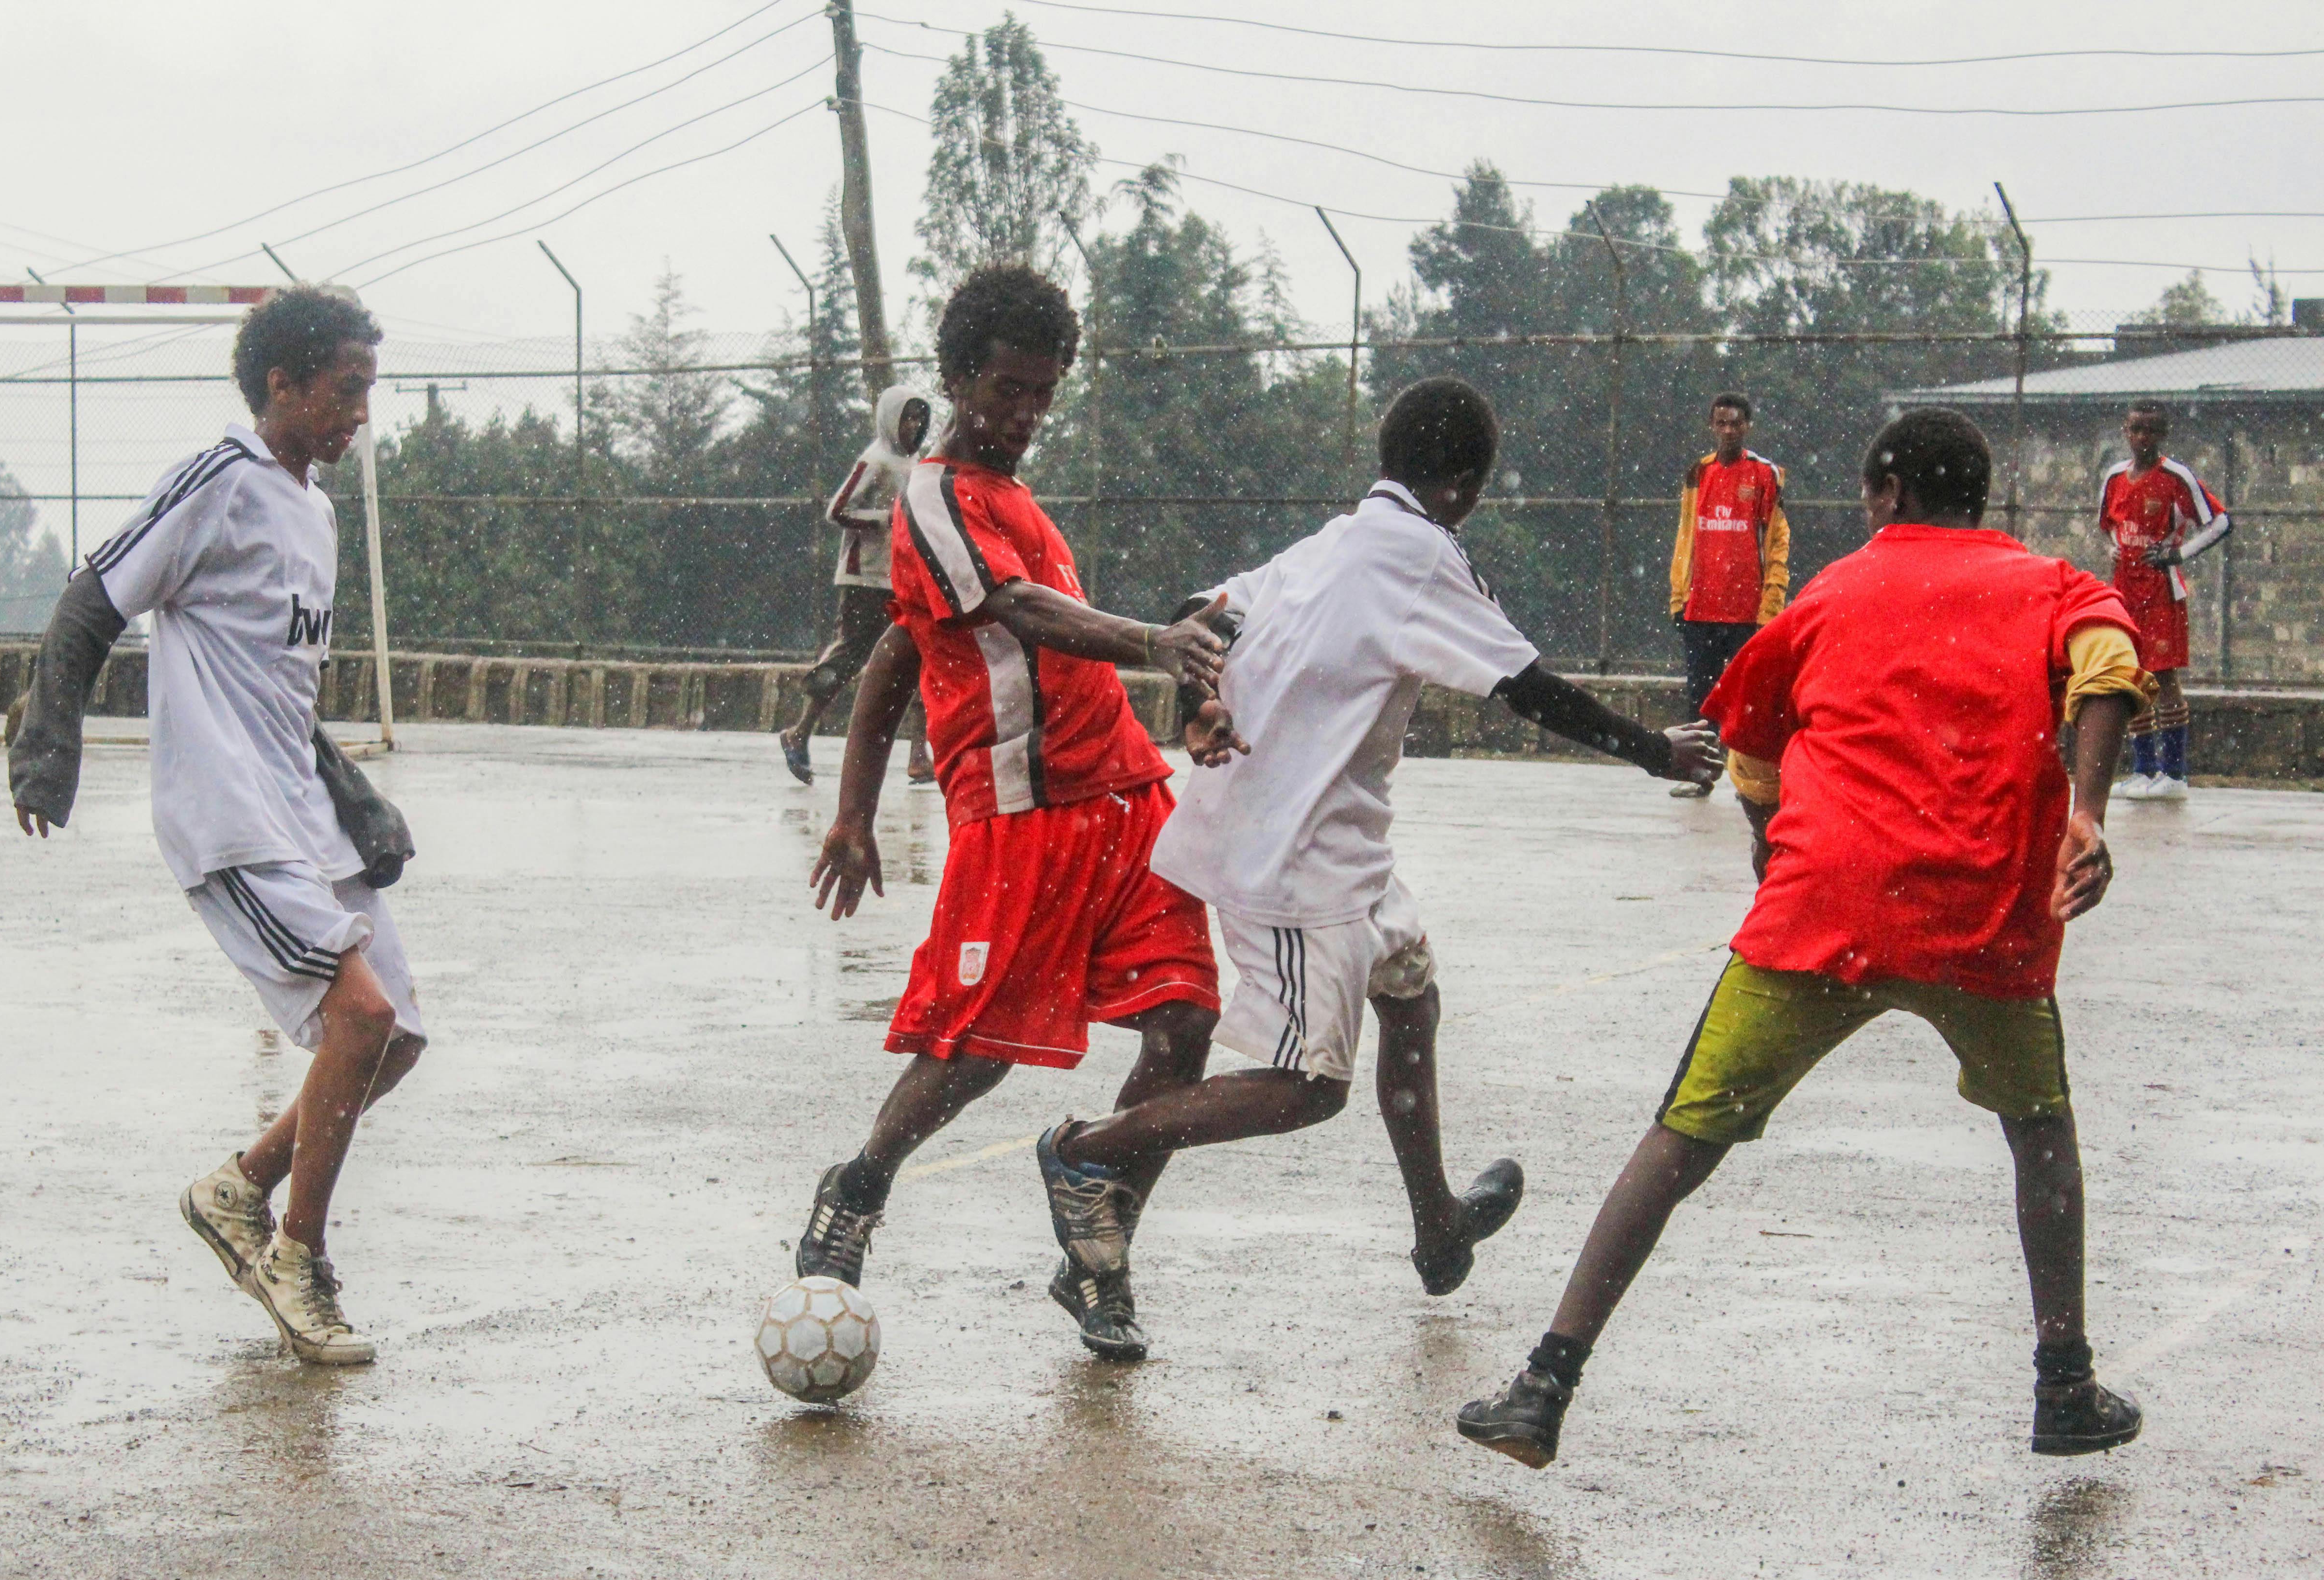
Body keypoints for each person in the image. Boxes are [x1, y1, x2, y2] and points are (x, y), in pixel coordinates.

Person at [1458, 408, 2152, 1469]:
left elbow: (1748, 734)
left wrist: (1770, 837)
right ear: (1979, 494)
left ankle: (1546, 1383)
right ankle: (2064, 1385)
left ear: (1885, 495)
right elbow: (2109, 667)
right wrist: (2088, 812)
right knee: (2039, 1133)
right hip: (1985, 921)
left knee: (1682, 1138)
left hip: (1825, 910)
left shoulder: (1831, 593)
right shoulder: (2050, 585)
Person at [1032, 378, 1724, 1357]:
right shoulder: (1422, 556)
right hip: (1296, 854)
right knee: (1304, 1087)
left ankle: (1438, 1227)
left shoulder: (1337, 541)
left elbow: (1202, 613)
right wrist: (1656, 751)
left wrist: (1200, 704)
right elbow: (1527, 688)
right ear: (1465, 487)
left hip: (1335, 838)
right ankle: (1081, 1154)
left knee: (1411, 990)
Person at [796, 264, 1230, 1361]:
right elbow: (991, 617)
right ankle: (859, 1186)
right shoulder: (934, 498)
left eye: (1043, 393)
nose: (1024, 414)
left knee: (1184, 1025)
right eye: (1005, 389)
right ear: (956, 380)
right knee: (976, 1050)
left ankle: (1098, 1248)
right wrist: (1151, 642)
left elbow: (908, 648)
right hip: (1023, 814)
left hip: (1130, 802)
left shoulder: (1022, 505)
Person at [9, 285, 424, 1367]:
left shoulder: (316, 509)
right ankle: (297, 1256)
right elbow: (93, 594)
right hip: (227, 814)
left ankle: (237, 1190)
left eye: (369, 391)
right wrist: (47, 743)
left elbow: (279, 683)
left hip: (299, 807)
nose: (360, 415)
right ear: (280, 384)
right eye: (346, 391)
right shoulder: (217, 480)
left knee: (398, 1041)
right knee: (362, 1017)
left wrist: (352, 791)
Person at [780, 383, 936, 787]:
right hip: (865, 576)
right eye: (907, 418)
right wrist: (884, 520)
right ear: (890, 420)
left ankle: (920, 753)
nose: (914, 426)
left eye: (920, 419)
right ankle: (800, 731)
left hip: (903, 577)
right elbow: (838, 509)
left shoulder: (917, 463)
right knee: (849, 657)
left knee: (918, 656)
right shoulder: (876, 461)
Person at [2098, 399, 2229, 800]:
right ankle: (2144, 769)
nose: (2142, 438)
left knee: (2165, 675)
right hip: (2125, 589)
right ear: (2126, 431)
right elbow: (2106, 528)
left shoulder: (2176, 477)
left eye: (2151, 431)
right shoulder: (2115, 477)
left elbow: (2221, 521)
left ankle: (2175, 774)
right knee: (2131, 672)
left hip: (2161, 589)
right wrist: (2111, 550)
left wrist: (2180, 553)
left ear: (2162, 435)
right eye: (2136, 430)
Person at [1665, 392, 1788, 798]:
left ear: (1747, 426)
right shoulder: (1697, 474)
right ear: (1712, 426)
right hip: (1701, 608)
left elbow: (1777, 544)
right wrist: (1679, 597)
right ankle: (1701, 776)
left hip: (1747, 613)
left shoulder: (1764, 475)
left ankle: (1750, 783)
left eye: (1736, 423)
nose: (1729, 430)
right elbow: (1686, 538)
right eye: (1722, 423)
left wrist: (1771, 607)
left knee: (1749, 702)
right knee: (1701, 700)